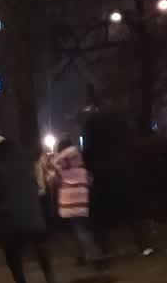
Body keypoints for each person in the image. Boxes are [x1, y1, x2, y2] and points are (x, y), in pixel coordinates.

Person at [0, 134, 57, 283]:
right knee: (40, 249)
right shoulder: (26, 161)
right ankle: (51, 282)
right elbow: (37, 185)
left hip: (12, 218)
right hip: (32, 212)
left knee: (12, 254)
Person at [82, 111, 155, 257]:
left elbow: (88, 154)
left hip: (102, 175)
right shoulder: (120, 134)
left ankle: (103, 251)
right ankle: (143, 245)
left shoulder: (93, 134)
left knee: (101, 217)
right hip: (121, 173)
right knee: (132, 212)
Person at [47, 140, 104, 266]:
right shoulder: (80, 162)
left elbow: (52, 180)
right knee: (82, 228)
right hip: (83, 198)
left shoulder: (58, 163)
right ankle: (85, 256)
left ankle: (96, 257)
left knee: (80, 230)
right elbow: (89, 179)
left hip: (69, 201)